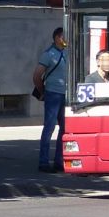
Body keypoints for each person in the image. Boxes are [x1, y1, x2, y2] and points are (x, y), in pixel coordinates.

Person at [33, 26, 69, 173]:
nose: (66, 39)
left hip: (65, 94)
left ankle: (59, 161)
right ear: (57, 38)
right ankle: (43, 162)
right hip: (53, 94)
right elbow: (36, 76)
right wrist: (43, 92)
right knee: (49, 127)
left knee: (65, 128)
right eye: (63, 36)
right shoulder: (48, 54)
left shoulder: (67, 53)